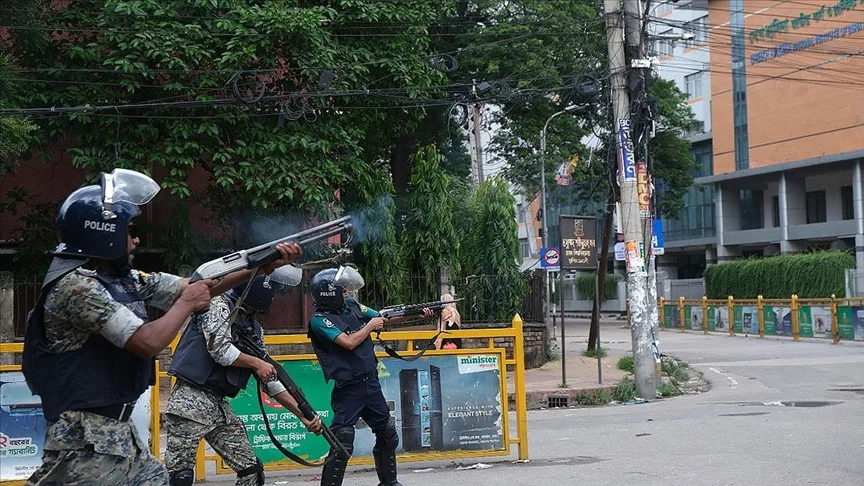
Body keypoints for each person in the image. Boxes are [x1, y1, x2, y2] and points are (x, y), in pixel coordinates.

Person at [21, 168, 301, 486]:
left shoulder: (119, 278)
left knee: (157, 479)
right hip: (82, 440)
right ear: (104, 231)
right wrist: (186, 304)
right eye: (129, 230)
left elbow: (197, 286)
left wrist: (259, 267)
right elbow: (147, 341)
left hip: (115, 434)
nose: (136, 239)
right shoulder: (77, 288)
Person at [164, 267, 324, 486]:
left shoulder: (254, 328)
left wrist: (302, 415)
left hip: (218, 407)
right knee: (180, 476)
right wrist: (256, 363)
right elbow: (220, 350)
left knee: (252, 472)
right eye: (273, 291)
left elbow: (270, 380)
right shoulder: (218, 304)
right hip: (190, 401)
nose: (273, 297)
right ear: (259, 287)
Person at [306, 266, 432, 486]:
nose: (347, 293)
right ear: (330, 294)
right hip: (349, 388)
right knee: (342, 441)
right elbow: (348, 342)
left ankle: (389, 483)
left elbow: (382, 317)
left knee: (387, 433)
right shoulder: (319, 320)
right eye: (343, 290)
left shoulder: (352, 306)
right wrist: (370, 326)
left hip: (370, 383)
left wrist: (415, 314)